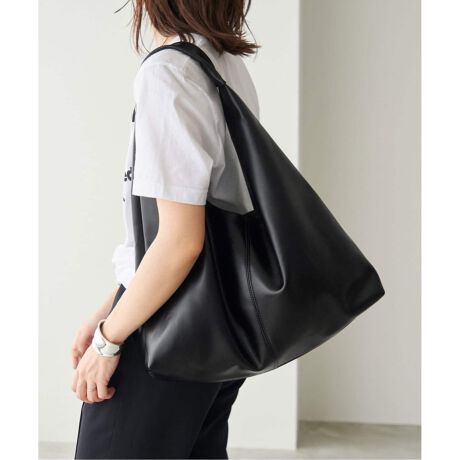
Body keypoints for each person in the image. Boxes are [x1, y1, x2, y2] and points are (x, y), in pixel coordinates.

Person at [71, 0, 260, 458]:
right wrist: (111, 306)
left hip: (164, 327)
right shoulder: (223, 63)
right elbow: (193, 228)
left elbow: (180, 241)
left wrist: (109, 340)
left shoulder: (169, 72)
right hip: (215, 321)